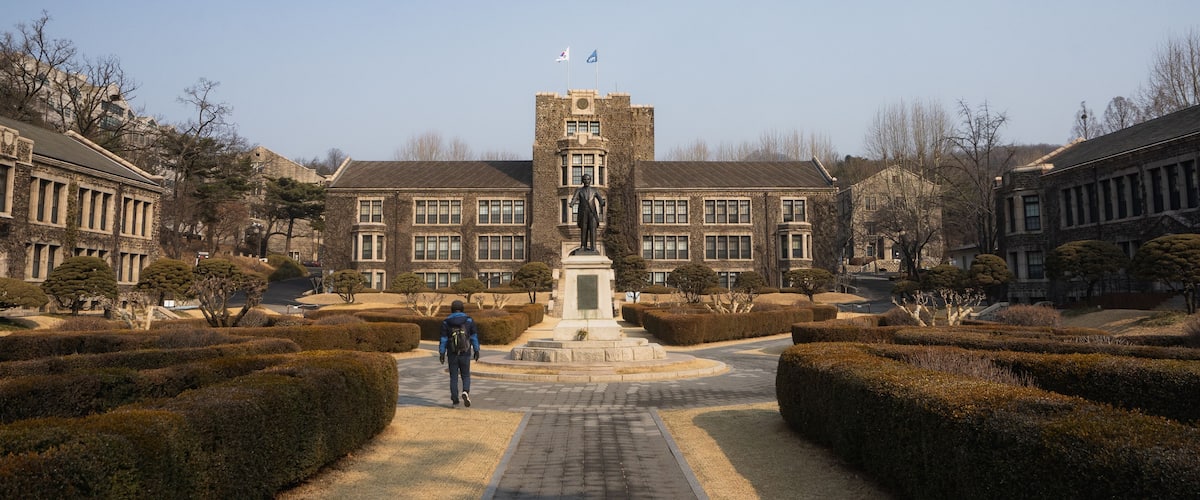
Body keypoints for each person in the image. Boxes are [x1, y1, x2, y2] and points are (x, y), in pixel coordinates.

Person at [439, 300, 480, 407]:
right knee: (465, 375)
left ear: (452, 309)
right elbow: (473, 337)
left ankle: (455, 400)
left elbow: (443, 339)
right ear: (462, 309)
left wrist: (442, 353)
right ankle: (465, 391)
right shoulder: (469, 320)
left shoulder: (446, 322)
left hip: (452, 353)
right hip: (465, 352)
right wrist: (476, 350)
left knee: (453, 377)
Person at [569, 173, 605, 252]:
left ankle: (593, 247)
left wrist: (603, 203)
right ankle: (583, 246)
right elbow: (575, 198)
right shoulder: (579, 190)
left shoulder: (595, 190)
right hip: (583, 212)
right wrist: (572, 203)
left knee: (593, 229)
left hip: (592, 213)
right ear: (582, 180)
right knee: (584, 230)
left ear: (590, 180)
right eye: (585, 179)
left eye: (588, 179)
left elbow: (600, 200)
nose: (586, 181)